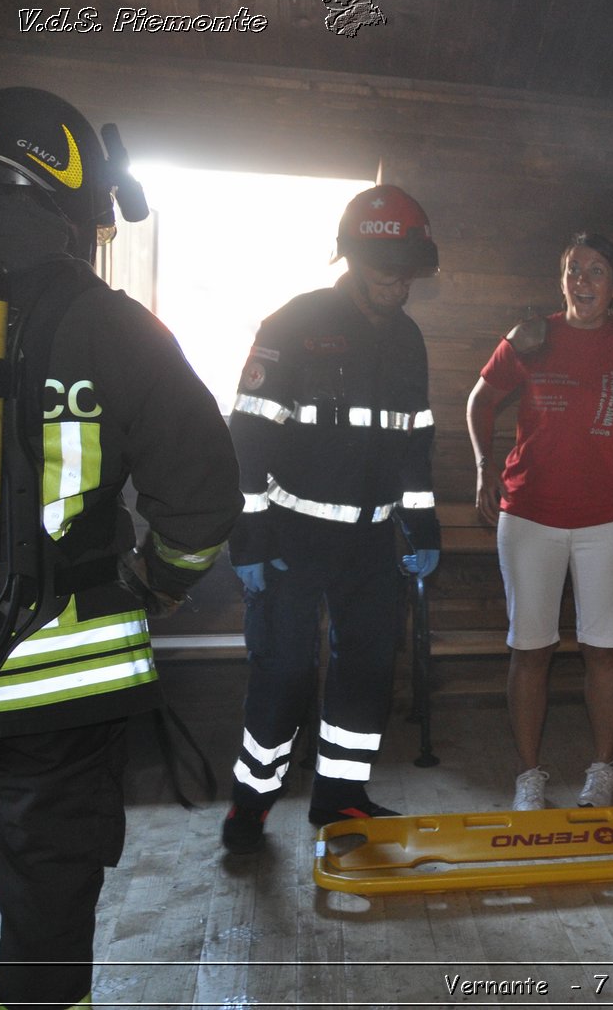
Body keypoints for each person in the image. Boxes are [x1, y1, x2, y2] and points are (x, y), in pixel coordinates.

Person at [0, 87, 241, 1010]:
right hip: (61, 683)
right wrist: (154, 582)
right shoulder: (117, 326)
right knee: (47, 910)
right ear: (78, 199)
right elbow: (202, 506)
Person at [220, 184, 442, 855]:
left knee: (368, 671)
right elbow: (247, 436)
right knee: (284, 673)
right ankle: (250, 808)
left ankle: (339, 797)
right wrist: (250, 536)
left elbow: (416, 441)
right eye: (382, 258)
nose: (395, 274)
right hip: (291, 538)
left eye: (406, 262)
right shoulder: (295, 322)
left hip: (373, 544)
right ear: (349, 254)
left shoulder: (409, 341)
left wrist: (423, 526)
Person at [466, 232, 613, 811]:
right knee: (531, 648)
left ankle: (601, 771)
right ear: (562, 281)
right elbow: (480, 400)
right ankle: (529, 774)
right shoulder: (531, 337)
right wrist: (483, 465)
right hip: (530, 515)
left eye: (597, 271)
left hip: (607, 519)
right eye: (574, 270)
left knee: (604, 647)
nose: (583, 281)